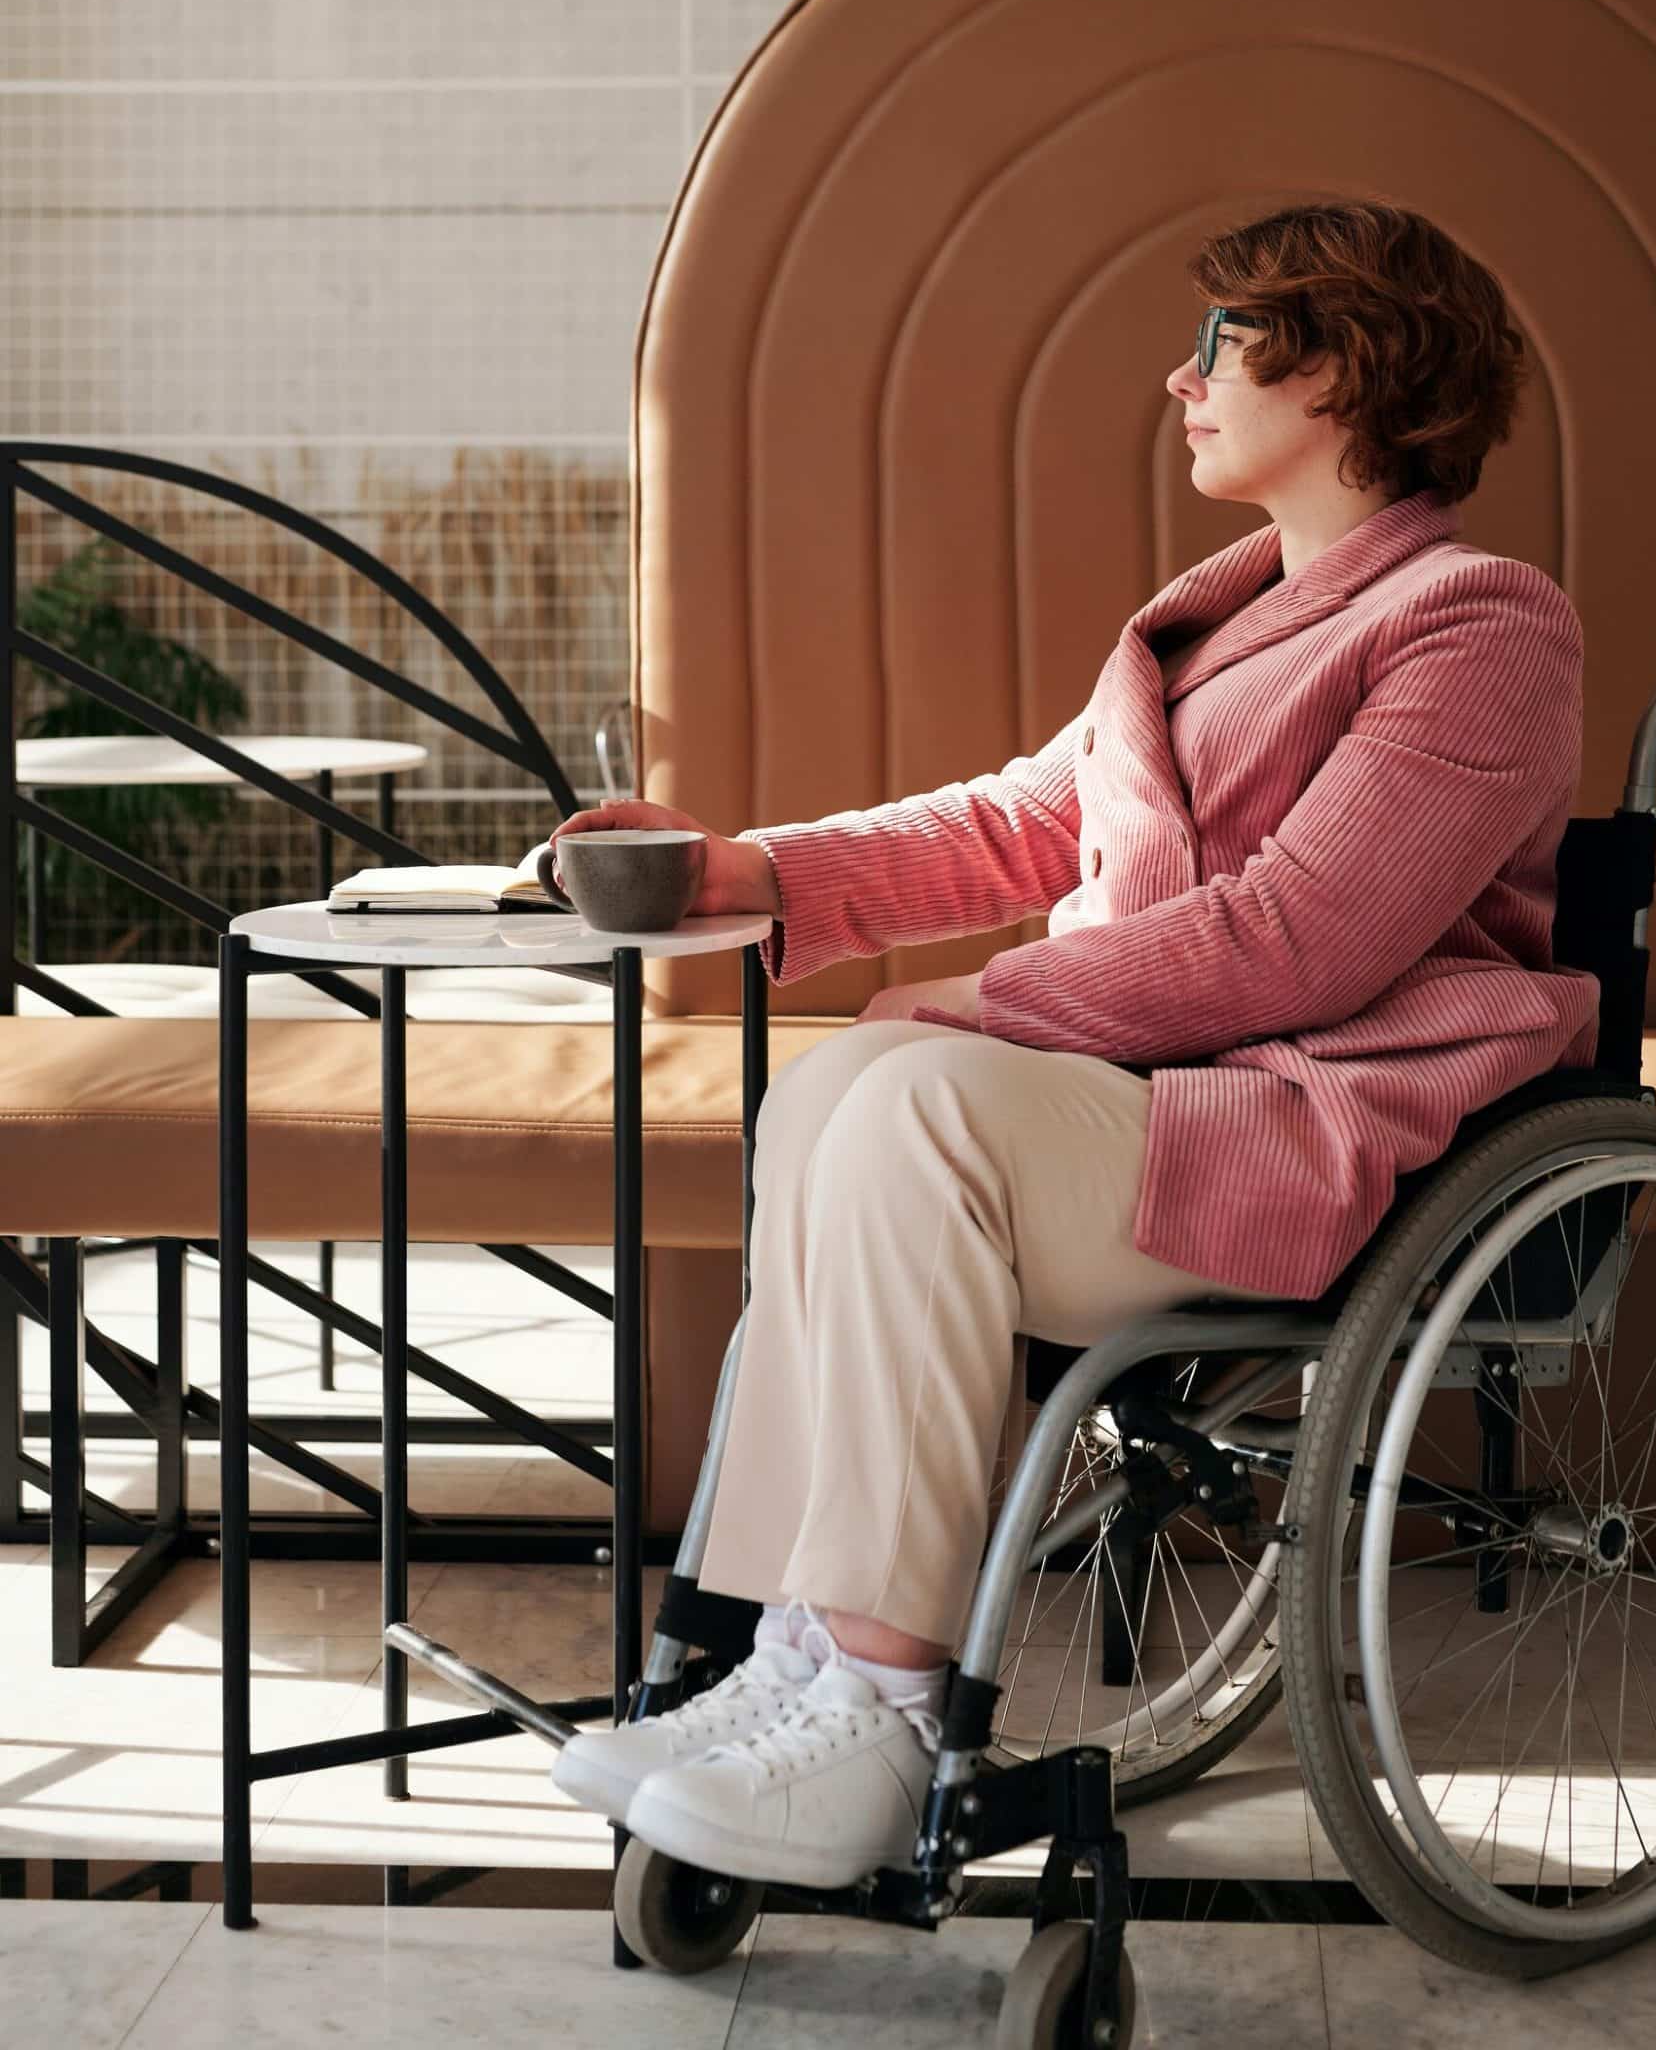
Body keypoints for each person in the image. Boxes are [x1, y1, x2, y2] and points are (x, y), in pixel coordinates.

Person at [543, 197, 1601, 1889]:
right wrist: (745, 872)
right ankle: (800, 1660)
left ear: (1344, 371)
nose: (1178, 380)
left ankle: (882, 1708)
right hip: (1149, 1094)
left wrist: (983, 1001)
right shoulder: (1222, 619)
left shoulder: (1482, 625)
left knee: (914, 1104)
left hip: (1311, 1120)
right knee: (834, 1094)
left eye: (1221, 346)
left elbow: (1307, 936)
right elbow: (1024, 820)